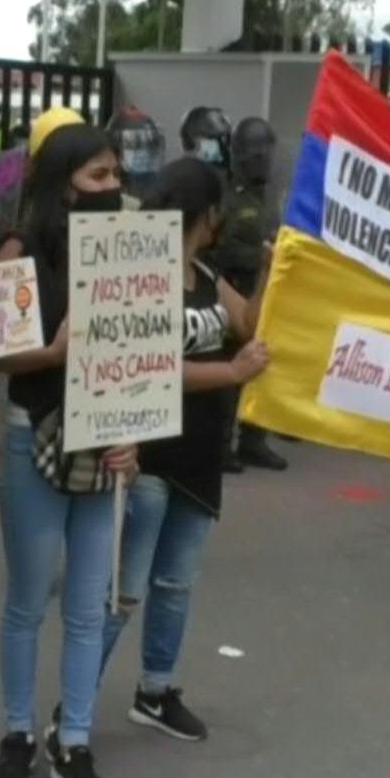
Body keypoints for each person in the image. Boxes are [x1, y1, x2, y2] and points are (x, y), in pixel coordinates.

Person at [0, 122, 137, 778]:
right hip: (32, 439)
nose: (114, 189)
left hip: (106, 445)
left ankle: (73, 739)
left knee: (87, 607)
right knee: (28, 599)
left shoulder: (134, 253)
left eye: (118, 176)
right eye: (98, 177)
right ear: (61, 184)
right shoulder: (17, 252)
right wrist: (54, 350)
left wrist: (136, 435)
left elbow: (148, 358)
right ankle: (18, 730)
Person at [99, 157, 272, 742]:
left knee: (176, 583)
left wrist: (273, 270)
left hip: (199, 455)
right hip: (148, 452)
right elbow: (153, 367)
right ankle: (76, 705)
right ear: (208, 213)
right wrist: (229, 372)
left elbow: (247, 325)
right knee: (124, 590)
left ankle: (155, 689)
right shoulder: (141, 274)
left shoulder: (202, 272)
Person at [213, 115, 287, 472]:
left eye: (265, 148)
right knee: (231, 373)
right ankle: (221, 443)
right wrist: (253, 256)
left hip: (266, 294)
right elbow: (213, 248)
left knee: (264, 367)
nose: (260, 156)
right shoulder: (224, 196)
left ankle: (254, 439)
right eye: (253, 148)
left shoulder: (272, 198)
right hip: (232, 293)